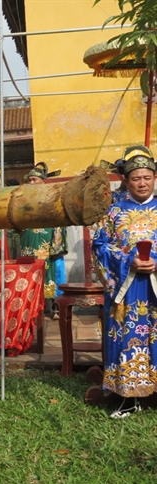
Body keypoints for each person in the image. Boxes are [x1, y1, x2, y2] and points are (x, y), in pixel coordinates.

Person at [92, 145, 157, 418]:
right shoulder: (113, 212)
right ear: (126, 181)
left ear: (154, 177)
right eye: (136, 178)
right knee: (126, 337)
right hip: (126, 289)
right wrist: (127, 260)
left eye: (147, 177)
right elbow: (100, 247)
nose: (142, 183)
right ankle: (127, 397)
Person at [19, 163, 67, 316]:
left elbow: (60, 220)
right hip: (28, 241)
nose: (31, 183)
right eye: (30, 180)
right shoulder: (24, 200)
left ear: (43, 181)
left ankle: (50, 307)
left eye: (34, 180)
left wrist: (57, 245)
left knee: (49, 272)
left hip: (46, 241)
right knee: (29, 270)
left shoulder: (52, 198)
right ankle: (29, 307)